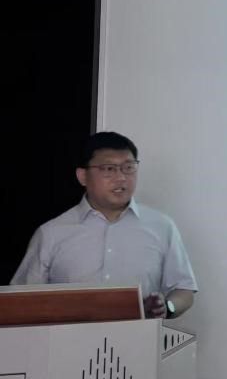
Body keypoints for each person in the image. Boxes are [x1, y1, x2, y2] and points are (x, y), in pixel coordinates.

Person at [11, 131, 197, 319]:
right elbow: (20, 300)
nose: (121, 177)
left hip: (139, 337)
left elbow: (184, 290)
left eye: (128, 168)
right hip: (68, 337)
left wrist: (167, 307)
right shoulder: (52, 233)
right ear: (83, 176)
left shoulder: (161, 226)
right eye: (109, 169)